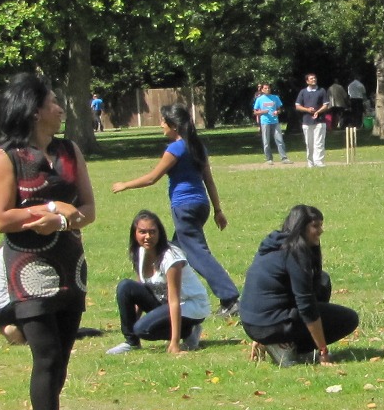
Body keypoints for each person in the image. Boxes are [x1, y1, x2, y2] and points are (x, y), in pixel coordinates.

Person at [0, 73, 96, 410]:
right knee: (45, 356)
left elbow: (87, 209)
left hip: (71, 265)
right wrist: (46, 210)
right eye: (52, 101)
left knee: (61, 360)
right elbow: (1, 218)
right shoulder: (6, 158)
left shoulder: (69, 151)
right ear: (33, 111)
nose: (59, 106)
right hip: (28, 269)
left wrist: (66, 223)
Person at [110, 103, 238, 312]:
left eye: (163, 122)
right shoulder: (198, 146)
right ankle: (161, 294)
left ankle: (230, 298)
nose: (161, 125)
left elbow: (152, 178)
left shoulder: (176, 148)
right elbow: (209, 181)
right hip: (201, 205)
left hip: (184, 207)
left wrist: (125, 184)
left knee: (197, 253)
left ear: (173, 125)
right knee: (172, 251)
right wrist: (217, 210)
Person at [241, 203, 359, 366]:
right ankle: (283, 344)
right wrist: (323, 351)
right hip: (269, 324)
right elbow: (306, 305)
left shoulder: (274, 244)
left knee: (322, 281)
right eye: (315, 226)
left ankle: (275, 341)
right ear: (300, 227)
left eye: (321, 225)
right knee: (349, 319)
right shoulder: (295, 252)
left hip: (252, 322)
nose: (321, 231)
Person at [108, 210, 210, 354]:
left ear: (160, 233)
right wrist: (133, 328)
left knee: (143, 329)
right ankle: (131, 343)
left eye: (152, 232)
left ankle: (188, 331)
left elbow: (175, 301)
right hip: (165, 302)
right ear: (135, 233)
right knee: (125, 286)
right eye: (142, 232)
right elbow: (141, 288)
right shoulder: (140, 252)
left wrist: (174, 344)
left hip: (189, 305)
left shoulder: (170, 258)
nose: (148, 237)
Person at [296, 72, 331, 168]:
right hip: (306, 121)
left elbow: (326, 105)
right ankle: (310, 162)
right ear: (307, 81)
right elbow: (297, 106)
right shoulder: (303, 92)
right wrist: (307, 109)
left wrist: (318, 112)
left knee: (319, 142)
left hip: (319, 121)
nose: (314, 80)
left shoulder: (321, 91)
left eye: (315, 78)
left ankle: (319, 162)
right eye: (311, 78)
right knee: (309, 143)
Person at [252, 82, 287, 163]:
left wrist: (277, 112)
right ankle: (269, 159)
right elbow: (255, 112)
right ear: (262, 90)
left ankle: (284, 158)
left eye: (268, 88)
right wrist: (263, 112)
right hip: (265, 122)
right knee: (266, 141)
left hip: (275, 121)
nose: (267, 89)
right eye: (265, 88)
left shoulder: (275, 97)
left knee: (279, 140)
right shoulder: (259, 99)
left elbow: (279, 109)